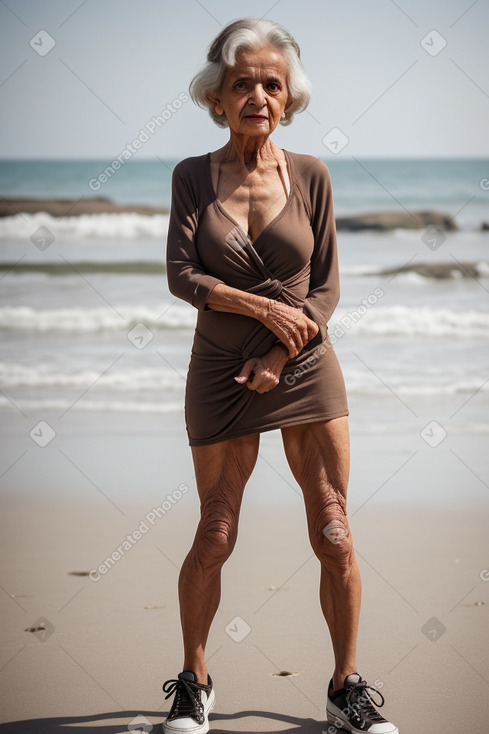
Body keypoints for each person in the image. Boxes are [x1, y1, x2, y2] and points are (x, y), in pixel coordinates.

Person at [163, 17, 398, 734]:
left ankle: (344, 688)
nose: (259, 95)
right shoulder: (190, 176)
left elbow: (324, 289)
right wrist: (253, 306)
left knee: (333, 532)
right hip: (219, 374)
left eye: (272, 83)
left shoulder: (311, 175)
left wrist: (278, 352)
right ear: (217, 97)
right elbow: (181, 275)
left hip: (302, 370)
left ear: (288, 97)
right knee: (214, 530)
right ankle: (194, 684)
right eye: (243, 83)